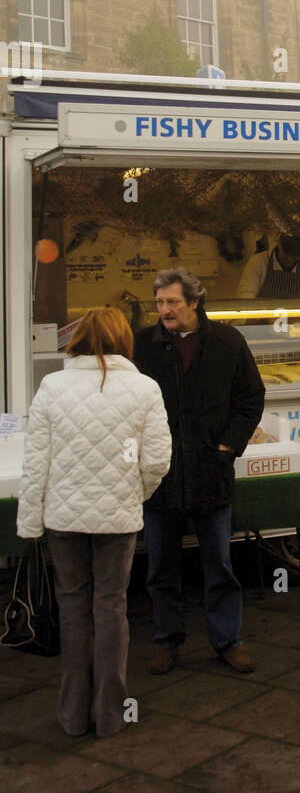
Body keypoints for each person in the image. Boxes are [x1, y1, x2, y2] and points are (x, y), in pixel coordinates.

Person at [16, 308, 171, 738]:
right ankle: (111, 714)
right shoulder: (144, 388)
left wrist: (30, 520)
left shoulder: (53, 385)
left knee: (73, 609)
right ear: (124, 340)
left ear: (79, 338)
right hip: (117, 520)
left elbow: (36, 461)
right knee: (110, 608)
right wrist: (131, 493)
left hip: (63, 517)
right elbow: (157, 460)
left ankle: (71, 714)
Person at [133, 268, 265, 675]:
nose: (164, 310)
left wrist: (229, 444)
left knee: (220, 564)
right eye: (159, 303)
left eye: (172, 302)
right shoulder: (142, 346)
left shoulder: (227, 342)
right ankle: (166, 640)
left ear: (194, 302)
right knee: (160, 566)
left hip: (211, 471)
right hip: (161, 477)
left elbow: (251, 397)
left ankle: (228, 641)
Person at [237, 232, 300, 298]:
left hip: (294, 317)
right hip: (262, 316)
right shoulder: (258, 262)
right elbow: (246, 296)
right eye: (286, 255)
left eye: (294, 258)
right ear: (279, 243)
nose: (289, 259)